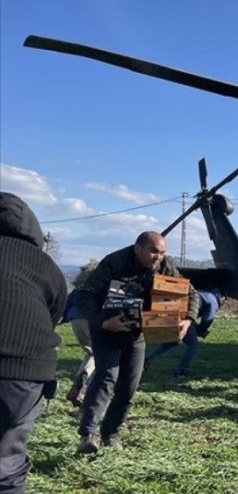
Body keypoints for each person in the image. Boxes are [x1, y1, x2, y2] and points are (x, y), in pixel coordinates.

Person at [74, 231, 199, 454]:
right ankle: (88, 435)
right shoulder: (114, 263)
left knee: (129, 387)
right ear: (137, 248)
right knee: (106, 377)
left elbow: (190, 293)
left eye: (162, 253)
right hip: (107, 329)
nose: (158, 257)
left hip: (137, 333)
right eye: (153, 251)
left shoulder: (165, 266)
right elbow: (84, 297)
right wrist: (104, 322)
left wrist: (187, 320)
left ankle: (111, 434)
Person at [0, 192, 67, 493]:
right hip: (24, 372)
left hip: (23, 367)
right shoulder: (46, 265)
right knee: (6, 463)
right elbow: (54, 312)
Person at [145, 290, 222, 378]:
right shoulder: (213, 302)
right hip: (185, 318)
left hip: (174, 313)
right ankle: (180, 371)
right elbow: (208, 319)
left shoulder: (205, 294)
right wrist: (202, 330)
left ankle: (147, 360)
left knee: (172, 341)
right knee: (193, 345)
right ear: (221, 297)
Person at [61, 290, 94, 407]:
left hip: (75, 320)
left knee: (91, 353)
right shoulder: (102, 285)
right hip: (92, 319)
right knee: (99, 354)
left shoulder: (79, 289)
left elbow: (65, 304)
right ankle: (84, 383)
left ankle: (78, 384)